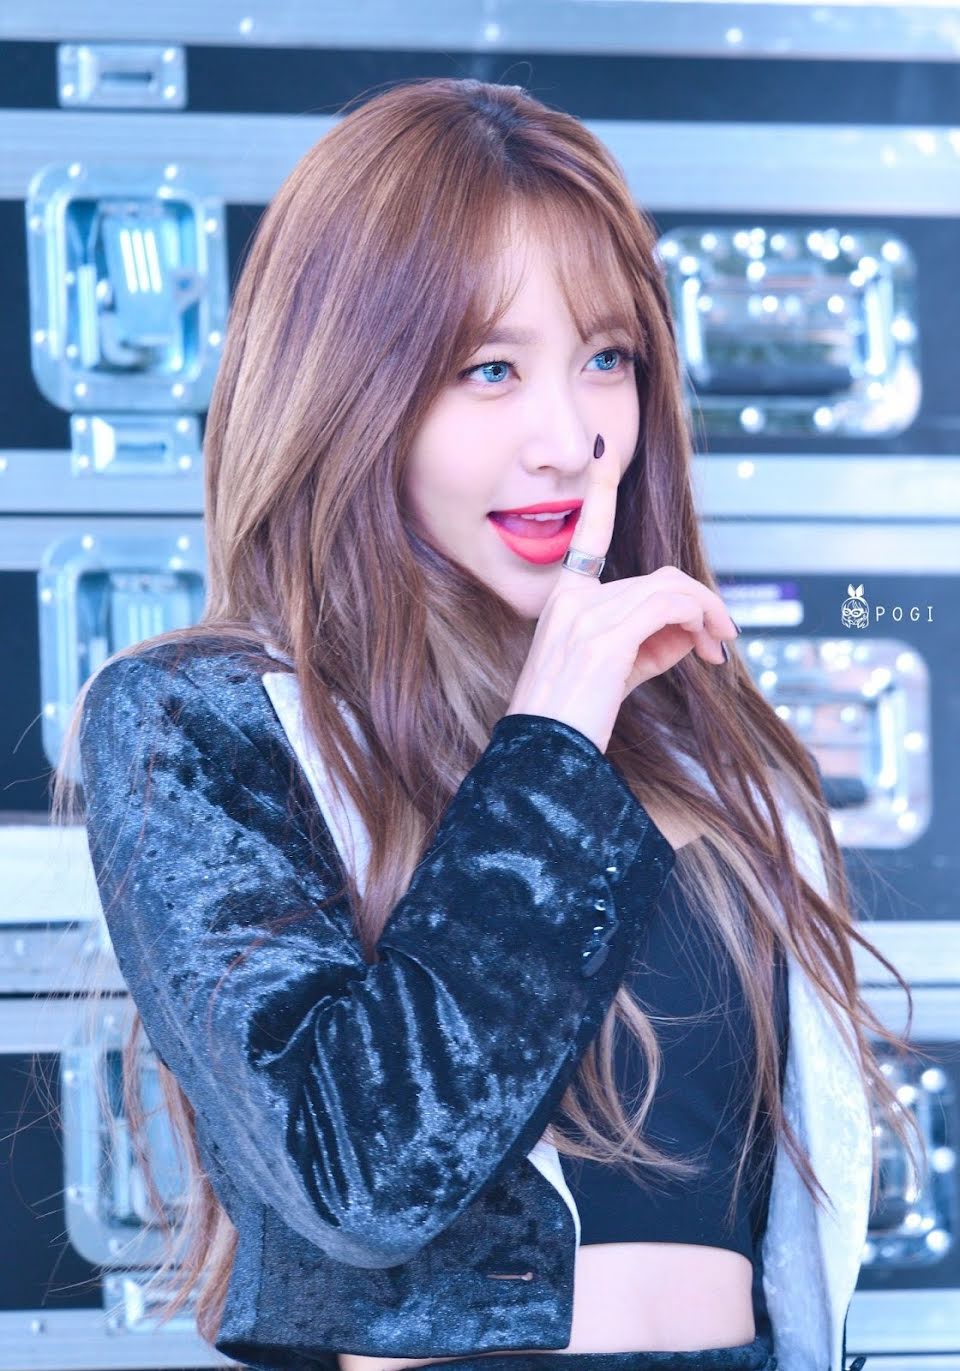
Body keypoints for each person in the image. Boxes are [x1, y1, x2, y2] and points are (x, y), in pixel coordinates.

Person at [54, 77, 920, 1371]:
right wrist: (550, 744)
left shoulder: (687, 726)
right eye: (490, 369)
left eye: (606, 358)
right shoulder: (204, 723)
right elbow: (360, 1173)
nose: (569, 439)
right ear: (348, 387)